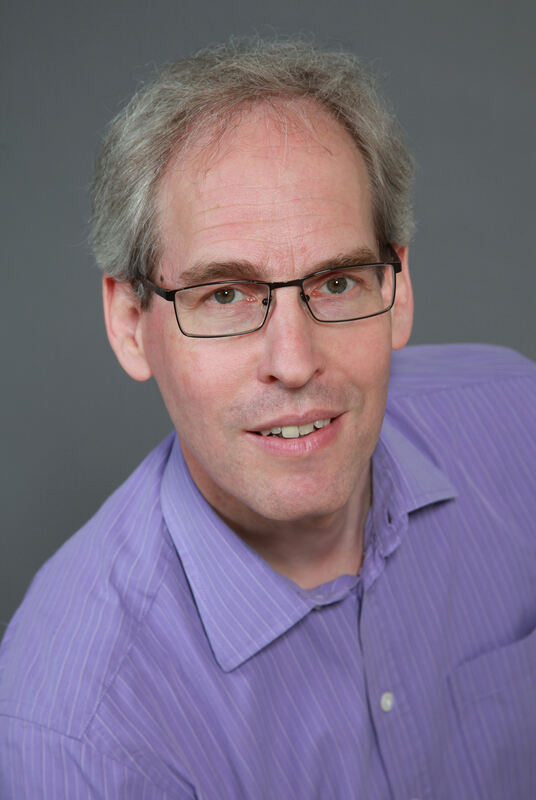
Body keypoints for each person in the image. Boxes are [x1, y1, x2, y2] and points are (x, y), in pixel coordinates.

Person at [1, 37, 535, 800]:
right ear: (129, 323)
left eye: (338, 282)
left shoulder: (519, 420)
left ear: (399, 291)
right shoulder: (78, 736)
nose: (294, 361)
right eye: (225, 295)